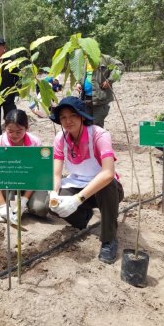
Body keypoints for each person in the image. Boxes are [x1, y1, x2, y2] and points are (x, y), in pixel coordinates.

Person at [48, 96, 124, 264]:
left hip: (107, 191)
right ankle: (83, 218)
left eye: (73, 116)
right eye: (63, 117)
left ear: (82, 116)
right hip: (78, 185)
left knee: (107, 185)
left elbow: (108, 173)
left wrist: (77, 200)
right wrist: (53, 193)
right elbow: (56, 173)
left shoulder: (99, 135)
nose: (68, 121)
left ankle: (109, 239)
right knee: (54, 203)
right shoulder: (61, 139)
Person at [0, 109, 48, 222]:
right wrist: (3, 206)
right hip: (7, 180)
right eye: (10, 131)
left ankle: (25, 205)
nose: (14, 135)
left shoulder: (35, 143)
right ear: (5, 128)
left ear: (27, 128)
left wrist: (24, 201)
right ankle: (3, 207)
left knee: (41, 209)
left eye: (19, 131)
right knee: (1, 184)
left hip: (30, 181)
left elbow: (37, 173)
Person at [80, 55, 124, 128]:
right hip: (85, 99)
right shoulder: (85, 60)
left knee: (96, 126)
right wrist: (78, 83)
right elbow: (81, 75)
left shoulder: (105, 58)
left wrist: (110, 80)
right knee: (86, 125)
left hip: (100, 100)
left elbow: (120, 66)